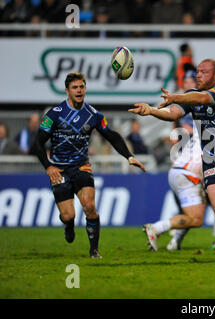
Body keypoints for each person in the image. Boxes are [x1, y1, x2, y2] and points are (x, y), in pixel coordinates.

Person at [130, 58, 215, 246]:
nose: (198, 75)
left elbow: (203, 99)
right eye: (198, 71)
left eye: (204, 72)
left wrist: (176, 97)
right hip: (213, 162)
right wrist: (151, 110)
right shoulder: (190, 96)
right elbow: (172, 114)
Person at [32, 72, 146, 259]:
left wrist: (129, 156)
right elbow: (37, 143)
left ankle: (94, 250)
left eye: (82, 87)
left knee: (89, 206)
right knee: (68, 215)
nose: (79, 90)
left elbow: (112, 136)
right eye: (75, 87)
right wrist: (48, 166)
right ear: (67, 90)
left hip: (81, 166)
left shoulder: (93, 115)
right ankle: (68, 225)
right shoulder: (54, 114)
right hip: (59, 169)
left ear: (85, 88)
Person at [142, 71, 208, 251]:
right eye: (185, 81)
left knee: (194, 214)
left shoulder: (195, 111)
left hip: (181, 168)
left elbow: (177, 128)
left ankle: (172, 240)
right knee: (198, 216)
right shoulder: (204, 117)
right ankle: (158, 229)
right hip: (188, 171)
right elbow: (179, 129)